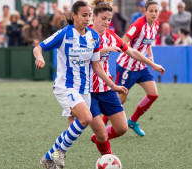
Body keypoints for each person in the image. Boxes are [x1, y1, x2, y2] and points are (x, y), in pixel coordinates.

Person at [33, 1, 127, 169]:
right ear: (74, 15)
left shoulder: (94, 37)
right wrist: (39, 57)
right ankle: (60, 152)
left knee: (77, 127)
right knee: (86, 118)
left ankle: (48, 157)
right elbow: (39, 47)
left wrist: (113, 86)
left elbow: (96, 66)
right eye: (84, 15)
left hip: (84, 89)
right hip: (66, 86)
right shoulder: (64, 34)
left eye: (89, 15)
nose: (87, 18)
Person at [88, 0, 165, 155]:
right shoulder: (84, 34)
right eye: (103, 18)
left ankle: (130, 122)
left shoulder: (111, 35)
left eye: (109, 19)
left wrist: (153, 63)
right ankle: (58, 150)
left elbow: (133, 50)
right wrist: (105, 50)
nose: (106, 22)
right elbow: (86, 56)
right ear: (93, 17)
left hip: (118, 79)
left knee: (123, 126)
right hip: (91, 84)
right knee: (82, 123)